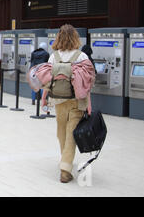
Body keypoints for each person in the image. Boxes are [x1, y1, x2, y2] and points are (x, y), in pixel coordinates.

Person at [41, 24, 93, 184]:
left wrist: (44, 98)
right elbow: (87, 83)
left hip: (58, 100)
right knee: (71, 134)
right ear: (75, 38)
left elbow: (47, 81)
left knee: (61, 132)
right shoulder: (82, 56)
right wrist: (89, 104)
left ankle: (65, 160)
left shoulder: (53, 56)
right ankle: (65, 168)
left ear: (59, 38)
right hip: (77, 101)